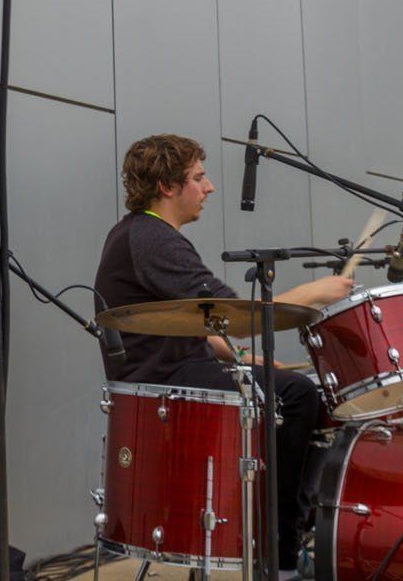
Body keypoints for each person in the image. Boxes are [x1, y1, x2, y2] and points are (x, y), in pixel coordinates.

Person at [93, 134, 352, 577]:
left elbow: (200, 323)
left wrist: (240, 358)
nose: (209, 187)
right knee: (302, 396)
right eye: (198, 177)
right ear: (167, 187)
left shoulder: (139, 233)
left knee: (297, 391)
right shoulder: (153, 239)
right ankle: (283, 554)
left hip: (179, 367)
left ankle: (281, 533)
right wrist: (316, 293)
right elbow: (235, 316)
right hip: (165, 384)